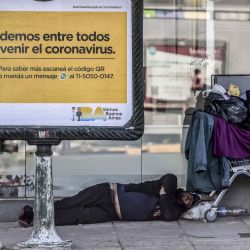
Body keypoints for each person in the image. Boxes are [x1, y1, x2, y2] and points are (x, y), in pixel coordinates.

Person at [18, 174, 199, 227]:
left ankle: (38, 221)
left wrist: (163, 196)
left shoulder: (173, 210)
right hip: (108, 192)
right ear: (183, 191)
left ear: (186, 207)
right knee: (71, 202)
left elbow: (168, 214)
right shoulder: (171, 183)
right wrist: (164, 198)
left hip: (111, 213)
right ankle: (32, 211)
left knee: (77, 217)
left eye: (190, 201)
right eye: (190, 194)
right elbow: (169, 177)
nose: (189, 198)